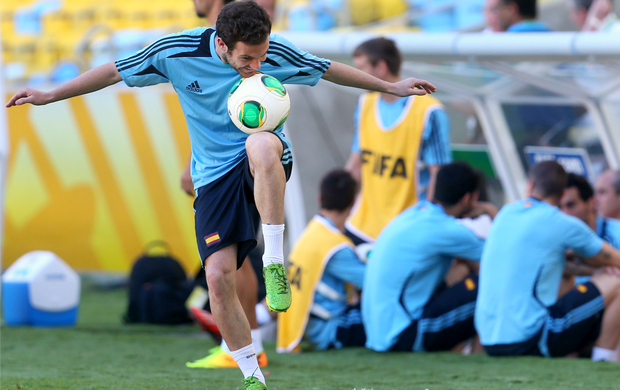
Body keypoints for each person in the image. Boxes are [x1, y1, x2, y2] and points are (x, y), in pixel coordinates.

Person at [5, 1, 436, 388]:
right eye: (247, 59)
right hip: (212, 177)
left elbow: (327, 68)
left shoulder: (272, 53)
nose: (256, 66)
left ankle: (273, 264)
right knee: (217, 277)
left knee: (262, 142)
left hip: (266, 162)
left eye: (262, 57)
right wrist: (51, 94)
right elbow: (113, 71)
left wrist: (391, 88)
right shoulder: (174, 52)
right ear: (223, 43)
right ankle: (251, 374)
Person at [179, 0, 270, 372]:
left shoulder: (243, 35)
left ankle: (250, 344)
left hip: (243, 162)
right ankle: (245, 346)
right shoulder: (211, 39)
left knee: (235, 258)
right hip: (221, 166)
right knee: (227, 263)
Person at [476, 161, 620, 362]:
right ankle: (604, 361)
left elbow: (558, 264)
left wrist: (590, 269)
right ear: (561, 195)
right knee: (617, 280)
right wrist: (603, 270)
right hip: (530, 339)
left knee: (562, 275)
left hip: (489, 340)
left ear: (530, 186)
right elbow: (615, 259)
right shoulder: (560, 222)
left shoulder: (506, 214)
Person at [363, 162, 489, 353]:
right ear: (468, 198)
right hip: (402, 335)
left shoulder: (414, 213)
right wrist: (491, 211)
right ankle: (482, 357)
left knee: (462, 268)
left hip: (377, 332)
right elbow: (500, 258)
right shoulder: (446, 229)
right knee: (485, 286)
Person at [344, 37, 451, 245]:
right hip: (363, 226)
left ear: (381, 67)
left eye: (361, 69)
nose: (357, 76)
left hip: (407, 229)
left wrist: (425, 225)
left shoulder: (429, 111)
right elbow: (356, 163)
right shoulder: (365, 103)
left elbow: (438, 174)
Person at [277, 169, 365, 352]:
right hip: (329, 330)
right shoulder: (335, 246)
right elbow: (375, 282)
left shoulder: (312, 233)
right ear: (354, 203)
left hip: (307, 328)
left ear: (319, 199)